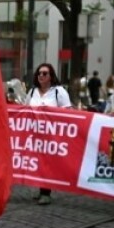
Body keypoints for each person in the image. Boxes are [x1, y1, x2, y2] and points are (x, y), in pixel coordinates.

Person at [28, 62, 70, 205]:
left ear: (51, 76)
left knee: (46, 162)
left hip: (51, 134)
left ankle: (45, 192)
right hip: (34, 133)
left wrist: (51, 113)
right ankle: (39, 188)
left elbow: (68, 112)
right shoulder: (32, 91)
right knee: (36, 162)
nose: (41, 75)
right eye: (39, 73)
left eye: (45, 73)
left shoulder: (59, 91)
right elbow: (25, 109)